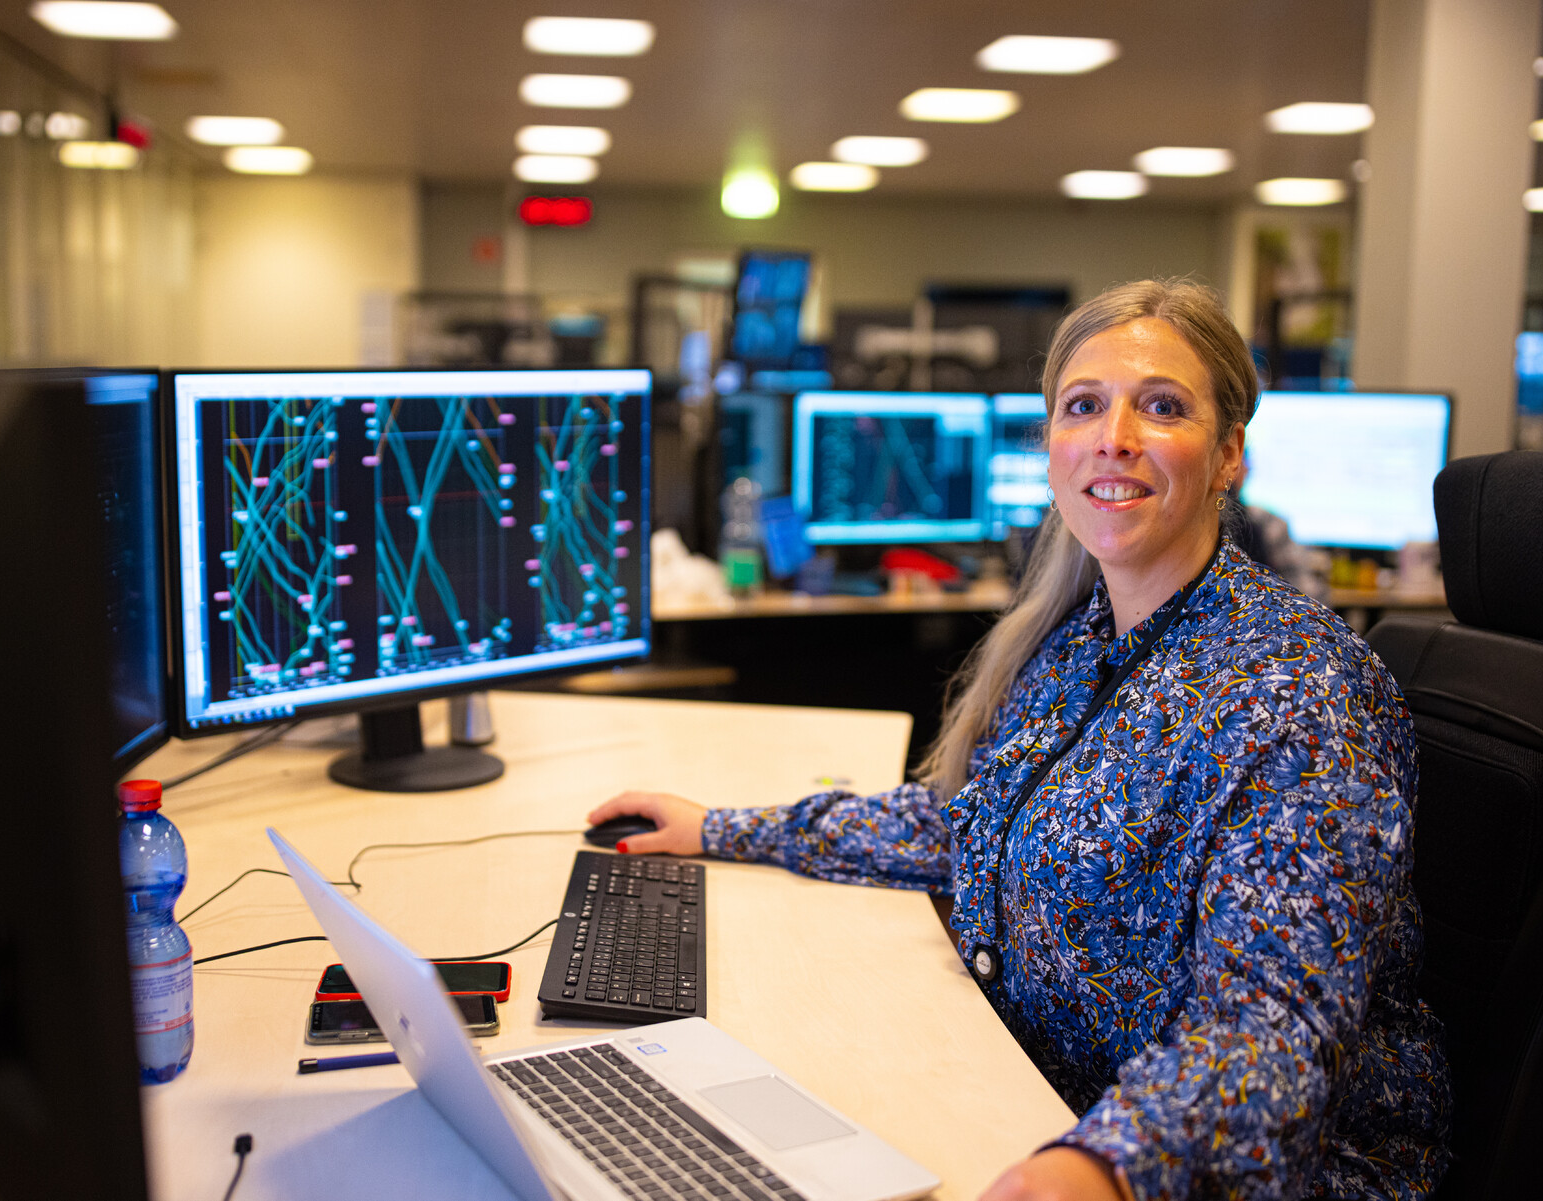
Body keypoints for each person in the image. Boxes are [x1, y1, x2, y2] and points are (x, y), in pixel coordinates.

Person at [588, 278, 1451, 1201]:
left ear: (1229, 452)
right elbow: (969, 829)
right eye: (1084, 406)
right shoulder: (1086, 644)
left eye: (1161, 406)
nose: (1114, 436)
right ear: (1050, 446)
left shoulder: (1301, 693)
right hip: (1037, 1102)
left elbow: (1268, 1032)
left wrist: (1102, 1166)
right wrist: (724, 828)